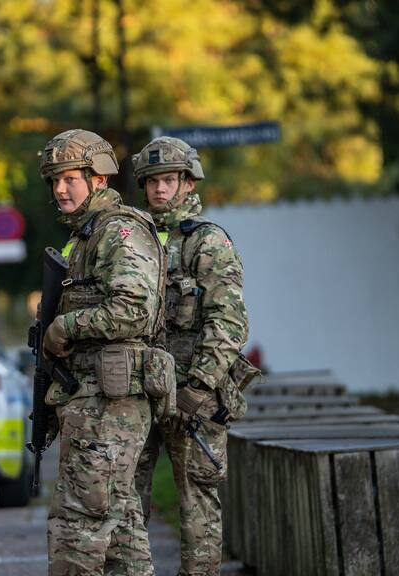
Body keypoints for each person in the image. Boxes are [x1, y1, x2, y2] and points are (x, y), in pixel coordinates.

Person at [39, 129, 163, 576]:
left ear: (99, 180)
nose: (59, 188)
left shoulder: (119, 231)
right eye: (54, 179)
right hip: (94, 404)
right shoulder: (85, 238)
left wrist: (66, 325)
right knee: (122, 534)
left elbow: (134, 308)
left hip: (112, 406)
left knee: (78, 526)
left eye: (69, 178)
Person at [132, 136, 251, 576]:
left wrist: (199, 385)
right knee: (126, 500)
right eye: (152, 181)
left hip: (193, 397)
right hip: (139, 392)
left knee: (198, 507)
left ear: (186, 182)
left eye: (168, 180)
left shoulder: (208, 241)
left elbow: (229, 323)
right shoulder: (133, 241)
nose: (160, 189)